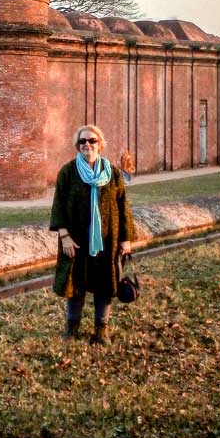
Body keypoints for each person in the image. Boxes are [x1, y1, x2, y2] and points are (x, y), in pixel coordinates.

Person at [50, 125, 136, 345]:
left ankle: (101, 328)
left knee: (105, 283)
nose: (87, 144)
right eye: (82, 142)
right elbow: (58, 204)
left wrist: (125, 238)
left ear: (100, 144)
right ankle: (72, 326)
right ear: (77, 146)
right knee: (75, 283)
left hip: (108, 241)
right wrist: (64, 236)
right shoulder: (68, 172)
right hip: (76, 241)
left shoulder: (113, 173)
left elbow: (122, 205)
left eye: (92, 140)